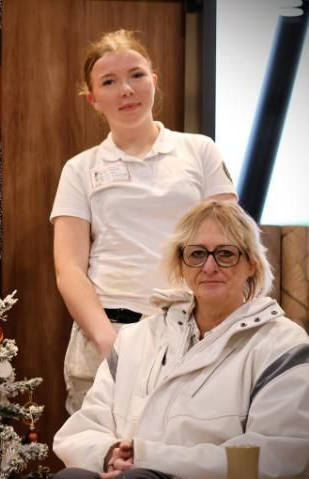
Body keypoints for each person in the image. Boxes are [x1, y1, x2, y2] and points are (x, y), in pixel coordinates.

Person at [50, 29, 237, 413]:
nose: (126, 90)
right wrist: (108, 343)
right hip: (108, 332)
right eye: (109, 82)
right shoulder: (80, 168)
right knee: (103, 458)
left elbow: (232, 244)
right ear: (93, 99)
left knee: (190, 459)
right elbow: (69, 269)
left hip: (194, 330)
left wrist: (215, 329)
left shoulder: (199, 150)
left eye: (136, 75)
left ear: (154, 80)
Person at [52, 200, 309, 479]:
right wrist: (112, 455)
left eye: (225, 253)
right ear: (181, 265)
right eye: (197, 254)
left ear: (252, 265)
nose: (209, 266)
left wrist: (151, 459)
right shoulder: (136, 338)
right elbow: (80, 430)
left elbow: (274, 456)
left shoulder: (282, 344)